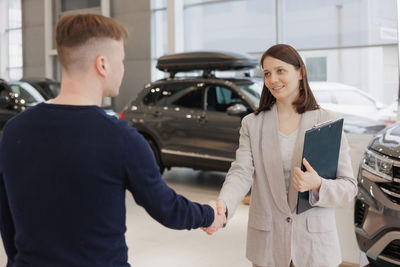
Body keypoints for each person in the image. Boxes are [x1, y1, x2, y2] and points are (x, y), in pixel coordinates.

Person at [0, 14, 225, 267]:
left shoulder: (13, 131)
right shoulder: (121, 138)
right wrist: (208, 215)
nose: (123, 69)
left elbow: (7, 218)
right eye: (122, 61)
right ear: (103, 65)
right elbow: (166, 207)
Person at [203, 44, 357, 267]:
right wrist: (223, 205)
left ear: (300, 72)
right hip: (268, 245)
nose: (272, 79)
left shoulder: (327, 121)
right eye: (267, 73)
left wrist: (318, 185)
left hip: (315, 247)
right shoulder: (252, 124)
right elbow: (241, 172)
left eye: (280, 70)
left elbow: (348, 187)